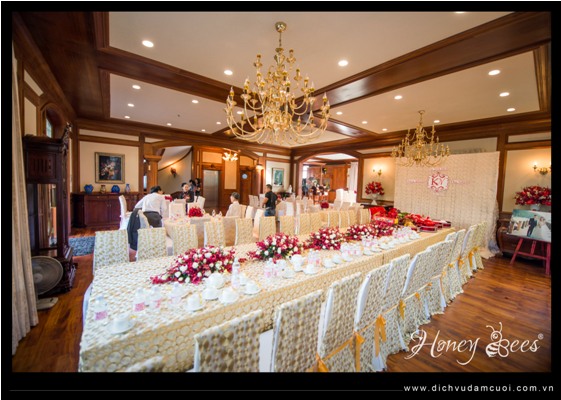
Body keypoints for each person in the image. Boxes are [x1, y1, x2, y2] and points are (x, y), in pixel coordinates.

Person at [128, 186, 166, 250]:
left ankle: (146, 244)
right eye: (161, 191)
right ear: (158, 191)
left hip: (144, 216)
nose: (162, 192)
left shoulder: (146, 196)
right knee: (158, 232)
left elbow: (137, 206)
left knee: (146, 230)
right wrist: (161, 216)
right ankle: (157, 246)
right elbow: (164, 209)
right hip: (155, 217)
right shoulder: (161, 197)